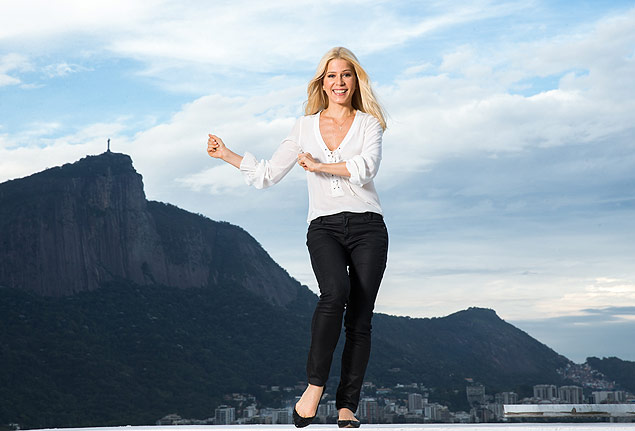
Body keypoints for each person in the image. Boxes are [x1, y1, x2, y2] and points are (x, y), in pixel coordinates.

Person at [206, 47, 388, 428]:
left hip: (369, 226)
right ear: (321, 83)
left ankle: (346, 407)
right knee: (334, 294)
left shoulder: (369, 124)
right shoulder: (304, 126)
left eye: (346, 75)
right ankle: (314, 387)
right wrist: (228, 155)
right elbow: (269, 174)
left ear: (356, 80)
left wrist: (320, 166)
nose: (339, 82)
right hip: (323, 226)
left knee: (360, 318)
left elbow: (365, 168)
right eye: (331, 75)